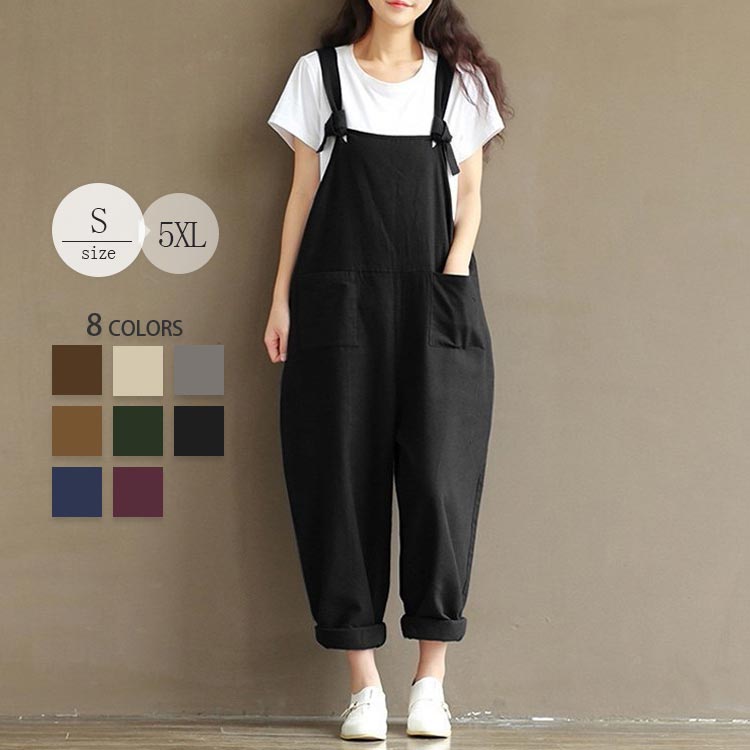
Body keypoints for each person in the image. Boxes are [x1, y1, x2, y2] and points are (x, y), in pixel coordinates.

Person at [263, 0, 509, 740]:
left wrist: (452, 274)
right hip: (337, 303)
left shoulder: (460, 83)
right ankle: (364, 687)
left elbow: (471, 193)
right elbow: (303, 191)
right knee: (339, 481)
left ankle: (430, 683)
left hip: (438, 301)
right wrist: (280, 298)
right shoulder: (319, 75)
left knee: (441, 483)